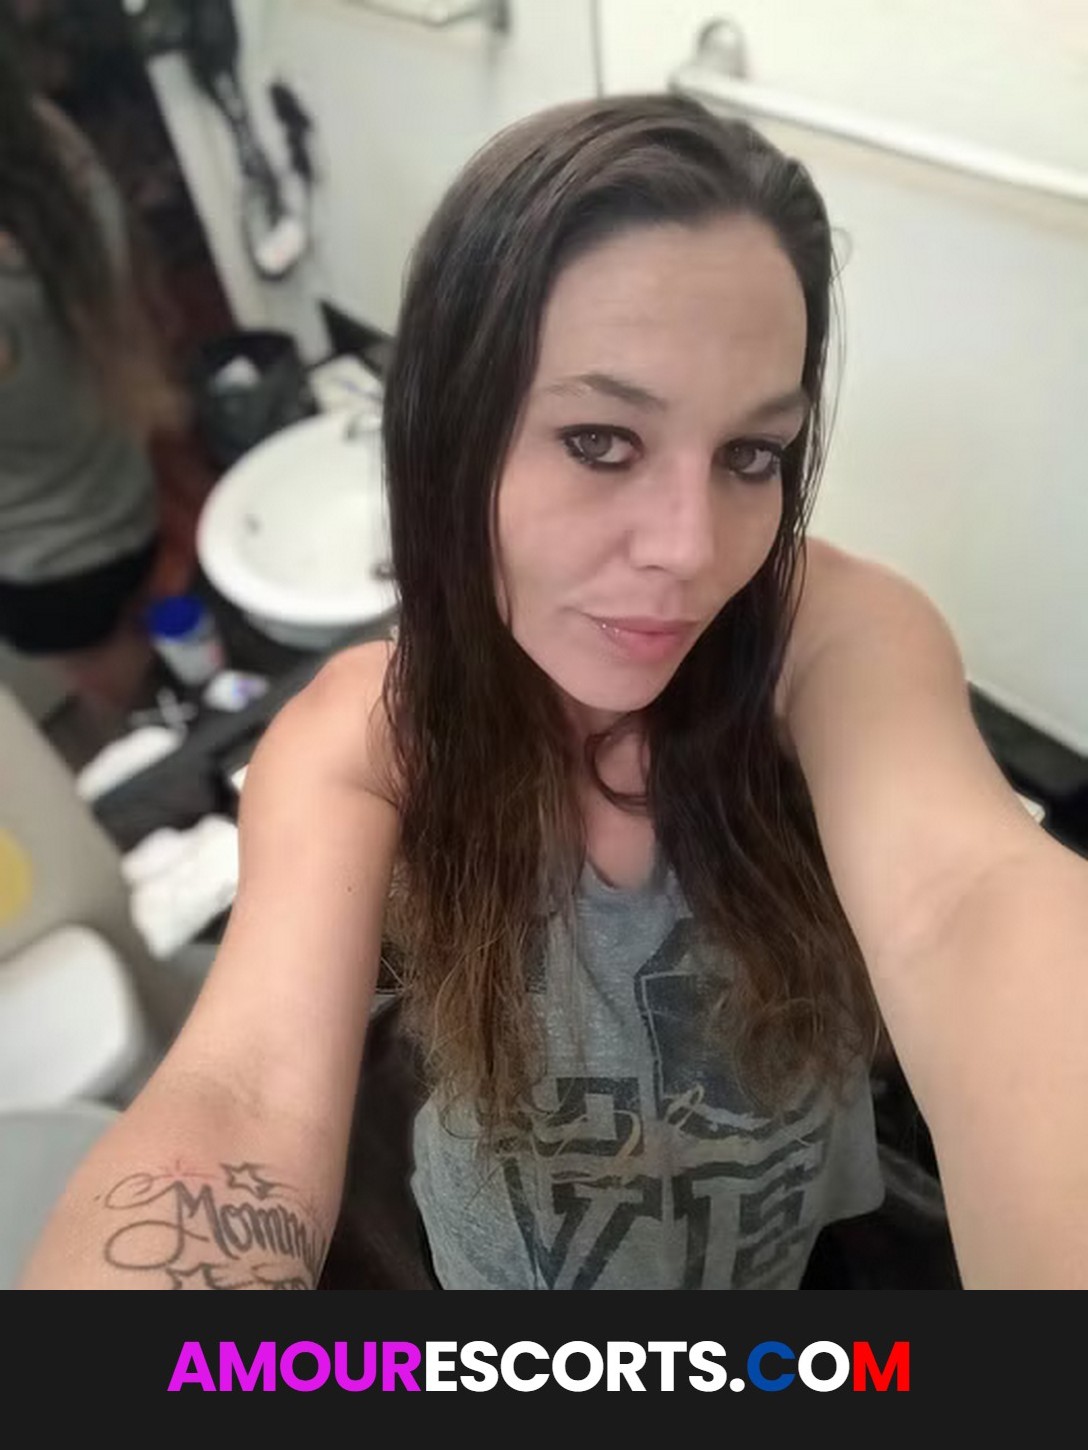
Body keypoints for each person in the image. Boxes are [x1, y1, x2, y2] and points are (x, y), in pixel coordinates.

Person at [17, 93, 1088, 1291]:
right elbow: (244, 1094)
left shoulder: (829, 642)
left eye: (749, 455)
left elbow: (965, 903)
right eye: (599, 441)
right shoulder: (361, 741)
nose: (690, 549)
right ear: (452, 431)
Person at [0, 25, 184, 717]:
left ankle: (164, 729)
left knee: (124, 696)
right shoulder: (53, 144)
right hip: (124, 494)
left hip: (49, 565)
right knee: (150, 652)